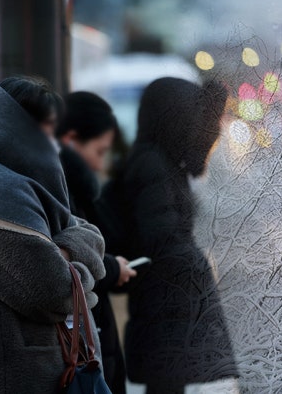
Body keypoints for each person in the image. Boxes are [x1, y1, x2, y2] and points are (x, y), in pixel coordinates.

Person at [0, 76, 107, 394]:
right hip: (10, 380)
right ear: (18, 129)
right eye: (48, 131)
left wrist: (66, 253)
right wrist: (77, 269)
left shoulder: (0, 183)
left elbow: (88, 233)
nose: (54, 145)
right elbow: (58, 291)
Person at [98, 77, 239, 393]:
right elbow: (160, 237)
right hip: (162, 308)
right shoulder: (152, 165)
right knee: (166, 387)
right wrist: (195, 266)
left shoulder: (160, 163)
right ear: (172, 119)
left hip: (164, 307)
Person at [56, 90, 136, 394]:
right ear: (71, 139)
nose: (101, 165)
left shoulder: (81, 189)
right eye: (99, 152)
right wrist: (112, 269)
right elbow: (66, 259)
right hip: (83, 343)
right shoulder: (62, 191)